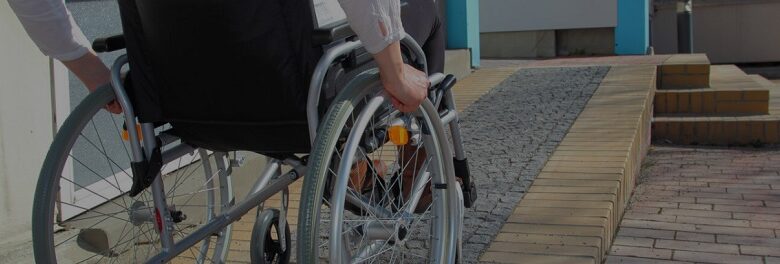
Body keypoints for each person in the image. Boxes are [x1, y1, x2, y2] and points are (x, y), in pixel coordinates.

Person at [7, 0, 440, 114]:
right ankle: (421, 163)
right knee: (428, 13)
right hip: (290, 82)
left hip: (180, 97)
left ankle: (355, 170)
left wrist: (93, 75)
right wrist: (395, 70)